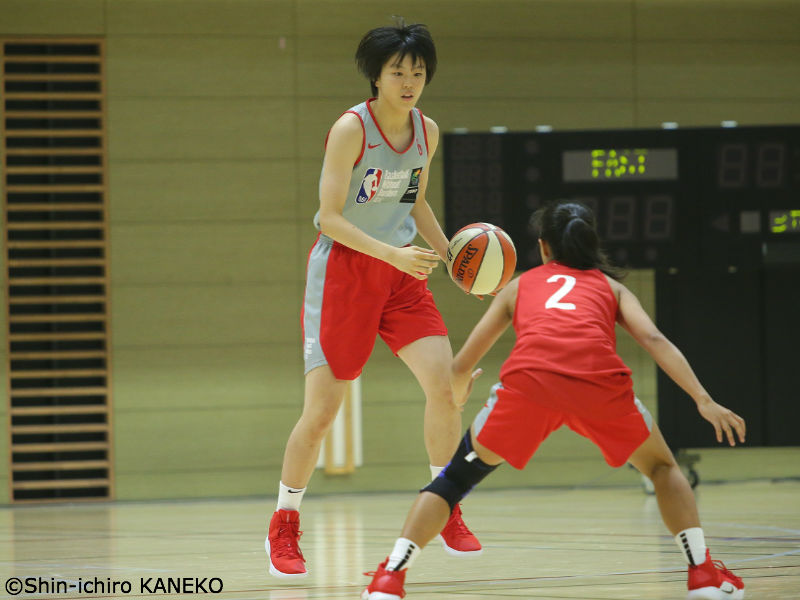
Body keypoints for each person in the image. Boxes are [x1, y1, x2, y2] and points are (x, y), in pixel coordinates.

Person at [363, 200, 747, 600]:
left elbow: (461, 365)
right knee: (663, 468)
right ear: (590, 244)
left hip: (532, 384)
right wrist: (703, 400)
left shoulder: (520, 286)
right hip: (599, 384)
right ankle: (702, 575)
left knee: (454, 479)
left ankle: (390, 579)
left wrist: (458, 393)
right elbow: (653, 339)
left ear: (544, 247)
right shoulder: (612, 288)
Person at [266, 20, 482, 579]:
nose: (409, 81)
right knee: (321, 415)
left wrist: (453, 256)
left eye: (418, 72)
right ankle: (285, 522)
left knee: (446, 387)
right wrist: (392, 256)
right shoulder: (350, 130)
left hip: (402, 273)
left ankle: (445, 502)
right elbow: (329, 218)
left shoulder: (427, 131)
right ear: (376, 76)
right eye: (398, 72)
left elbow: (417, 204)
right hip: (345, 273)